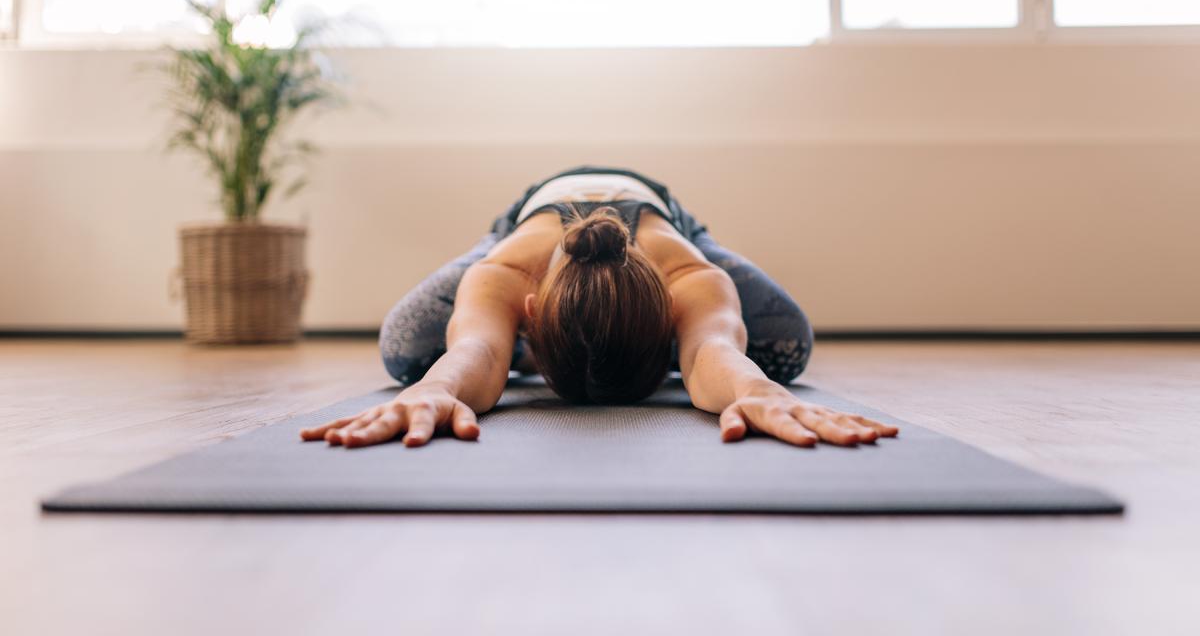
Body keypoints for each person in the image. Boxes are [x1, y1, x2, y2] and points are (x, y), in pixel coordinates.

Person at [301, 165, 898, 449]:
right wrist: (436, 387)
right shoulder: (506, 270)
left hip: (664, 216)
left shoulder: (687, 271)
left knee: (784, 346)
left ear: (672, 314)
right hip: (531, 219)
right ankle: (578, 340)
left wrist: (755, 389)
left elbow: (710, 349)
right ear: (527, 313)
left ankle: (600, 339)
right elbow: (477, 351)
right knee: (408, 351)